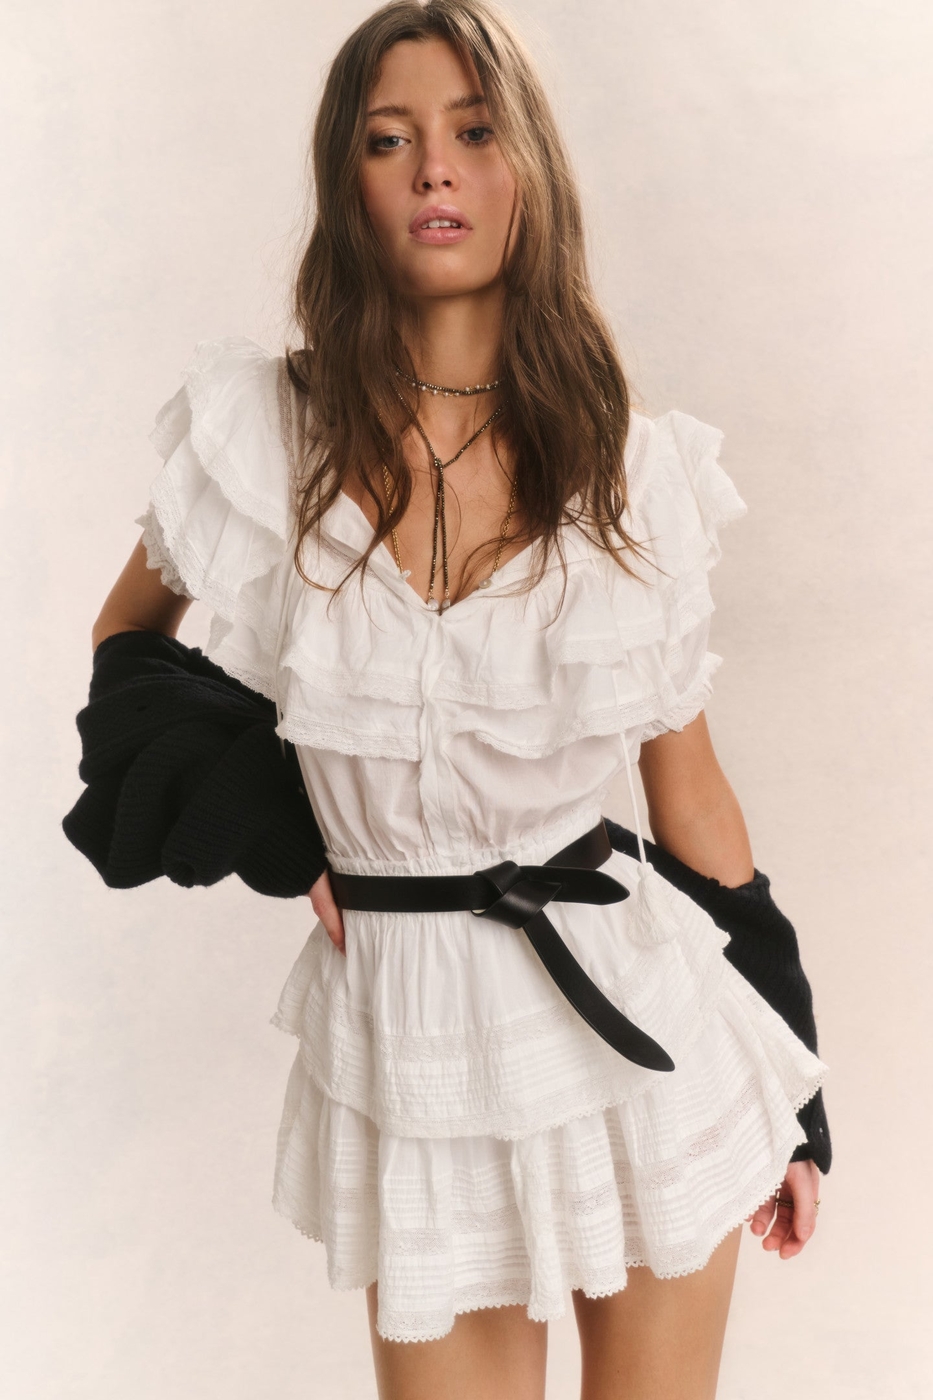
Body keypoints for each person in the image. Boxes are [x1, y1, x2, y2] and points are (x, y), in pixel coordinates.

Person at [88, 2, 829, 1396]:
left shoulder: (626, 472)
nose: (434, 166)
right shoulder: (265, 436)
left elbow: (689, 795)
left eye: (473, 131)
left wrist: (797, 1081)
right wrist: (276, 827)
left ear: (524, 171)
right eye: (390, 139)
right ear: (348, 185)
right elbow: (128, 648)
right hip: (411, 1043)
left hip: (644, 1027)